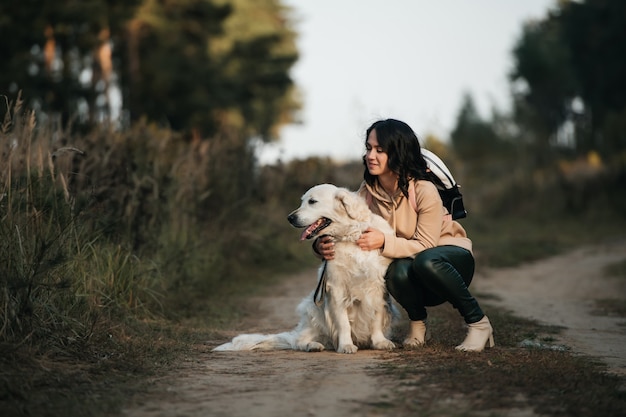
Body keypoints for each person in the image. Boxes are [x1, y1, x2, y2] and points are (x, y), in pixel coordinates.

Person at [314, 118, 494, 352]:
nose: (371, 155)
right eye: (369, 148)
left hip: (450, 260)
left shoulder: (423, 189)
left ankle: (479, 324)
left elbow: (426, 245)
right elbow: (347, 228)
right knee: (394, 270)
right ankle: (418, 324)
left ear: (398, 153)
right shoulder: (368, 192)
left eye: (380, 150)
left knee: (426, 260)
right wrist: (320, 245)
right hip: (415, 268)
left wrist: (383, 241)